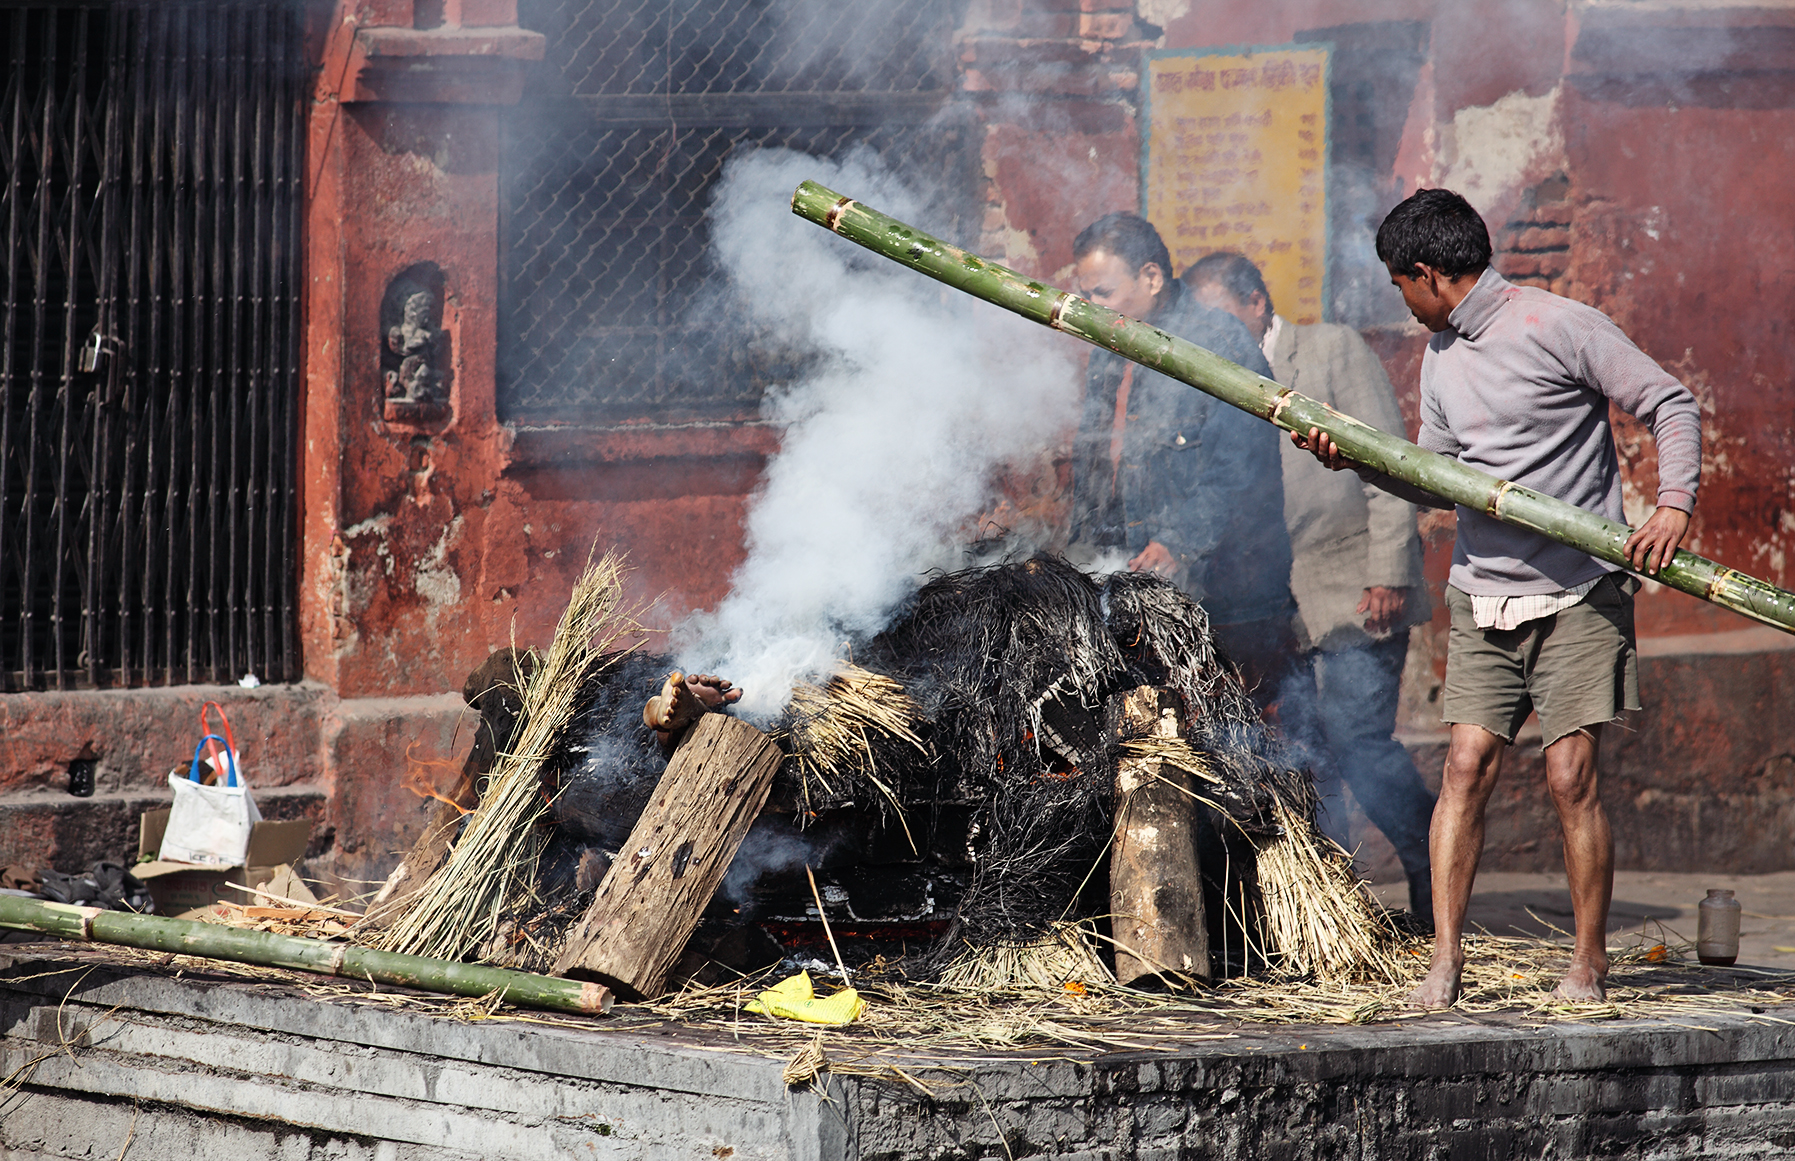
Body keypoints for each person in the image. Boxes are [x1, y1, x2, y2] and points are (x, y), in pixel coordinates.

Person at [1295, 188, 1701, 1007]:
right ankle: (1444, 959)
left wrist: (1672, 501)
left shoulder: (1559, 324)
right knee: (1465, 764)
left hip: (1578, 590)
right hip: (1483, 595)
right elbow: (1432, 480)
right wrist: (1354, 461)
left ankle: (1588, 958)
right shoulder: (1441, 356)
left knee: (1568, 772)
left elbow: (1670, 401)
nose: (1402, 306)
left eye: (1399, 287)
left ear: (1426, 273)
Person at [1183, 252, 1436, 925]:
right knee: (1304, 753)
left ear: (1254, 303)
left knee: (1359, 741)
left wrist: (1388, 568)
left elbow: (1386, 456)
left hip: (1354, 585)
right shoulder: (1217, 377)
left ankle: (1434, 868)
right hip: (1277, 601)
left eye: (1215, 314)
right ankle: (1337, 907)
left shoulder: (1328, 349)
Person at [1066, 213, 1301, 703]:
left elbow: (1242, 467)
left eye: (1102, 292)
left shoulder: (1219, 343)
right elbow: (1094, 459)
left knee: (1245, 742)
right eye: (1085, 294)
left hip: (1226, 597)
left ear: (1151, 278)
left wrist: (1179, 540)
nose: (1091, 306)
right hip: (1132, 582)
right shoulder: (1109, 346)